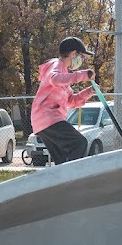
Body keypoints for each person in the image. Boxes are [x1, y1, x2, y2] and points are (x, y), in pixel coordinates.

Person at [30, 36, 96, 165]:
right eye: (81, 56)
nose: (81, 60)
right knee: (79, 143)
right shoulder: (56, 65)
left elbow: (71, 101)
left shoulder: (64, 72)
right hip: (48, 117)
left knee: (63, 159)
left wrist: (87, 93)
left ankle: (61, 182)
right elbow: (54, 79)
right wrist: (82, 75)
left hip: (43, 121)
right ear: (73, 53)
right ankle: (72, 179)